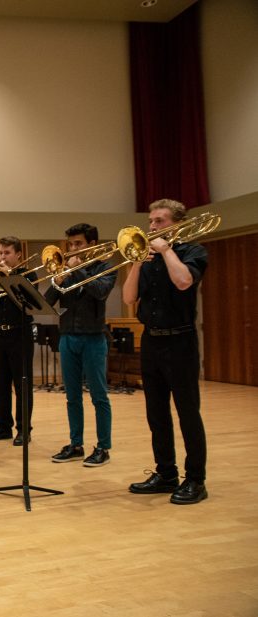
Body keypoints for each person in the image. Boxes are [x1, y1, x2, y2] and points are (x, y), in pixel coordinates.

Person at [123, 199, 209, 505]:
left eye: (160, 221)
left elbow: (184, 281)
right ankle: (166, 473)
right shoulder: (147, 259)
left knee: (187, 413)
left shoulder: (192, 251)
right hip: (151, 341)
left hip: (181, 342)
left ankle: (196, 480)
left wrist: (165, 250)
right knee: (156, 414)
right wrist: (135, 260)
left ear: (176, 223)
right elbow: (129, 296)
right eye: (151, 221)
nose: (152, 226)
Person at [44, 224, 116, 466]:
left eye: (78, 244)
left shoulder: (105, 267)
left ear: (92, 244)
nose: (73, 249)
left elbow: (101, 292)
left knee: (99, 395)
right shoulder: (65, 268)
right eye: (71, 244)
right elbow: (47, 301)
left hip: (93, 337)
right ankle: (76, 444)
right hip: (67, 336)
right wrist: (57, 280)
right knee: (72, 396)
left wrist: (78, 272)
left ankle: (103, 448)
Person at [0, 236, 37, 445]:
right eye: (0, 253)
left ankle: (23, 429)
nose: (2, 256)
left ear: (18, 254)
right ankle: (3, 426)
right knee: (0, 383)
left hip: (19, 333)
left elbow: (32, 303)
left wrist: (11, 280)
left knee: (22, 383)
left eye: (7, 253)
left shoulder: (28, 274)